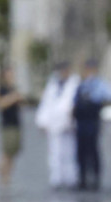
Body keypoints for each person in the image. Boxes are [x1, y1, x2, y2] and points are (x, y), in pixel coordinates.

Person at [73, 58, 111, 191]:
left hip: (93, 121)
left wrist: (96, 99)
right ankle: (82, 178)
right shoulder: (81, 85)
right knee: (81, 151)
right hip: (81, 122)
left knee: (93, 150)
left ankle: (96, 178)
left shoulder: (100, 84)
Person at [35, 61, 80, 189]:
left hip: (69, 126)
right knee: (55, 153)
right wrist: (42, 121)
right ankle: (56, 178)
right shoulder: (53, 85)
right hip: (54, 125)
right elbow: (46, 104)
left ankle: (71, 178)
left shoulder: (75, 84)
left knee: (70, 153)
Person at [0, 67, 23, 188]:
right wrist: (13, 98)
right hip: (7, 125)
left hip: (16, 124)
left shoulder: (13, 88)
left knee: (13, 152)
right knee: (6, 152)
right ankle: (2, 175)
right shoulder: (2, 89)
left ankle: (8, 176)